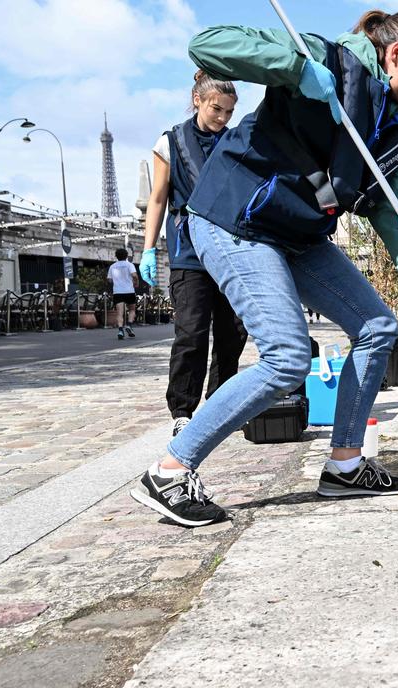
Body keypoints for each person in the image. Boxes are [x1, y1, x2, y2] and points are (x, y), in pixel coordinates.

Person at [130, 9, 398, 527]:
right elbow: (210, 44)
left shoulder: (389, 132)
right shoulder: (324, 59)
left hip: (296, 235)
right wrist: (294, 69)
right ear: (395, 54)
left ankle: (345, 464)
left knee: (377, 327)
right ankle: (169, 469)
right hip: (235, 220)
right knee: (286, 357)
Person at [139, 71, 250, 437]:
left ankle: (218, 403)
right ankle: (183, 411)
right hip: (189, 254)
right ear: (197, 100)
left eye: (229, 112)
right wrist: (149, 249)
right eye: (216, 109)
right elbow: (157, 199)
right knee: (192, 334)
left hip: (230, 251)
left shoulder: (233, 141)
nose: (222, 118)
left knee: (233, 333)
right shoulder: (170, 142)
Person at [106, 248, 138, 339]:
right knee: (132, 310)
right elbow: (134, 275)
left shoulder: (112, 266)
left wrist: (116, 281)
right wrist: (136, 282)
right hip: (129, 291)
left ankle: (120, 331)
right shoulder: (129, 265)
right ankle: (129, 325)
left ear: (116, 256)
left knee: (119, 313)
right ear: (126, 256)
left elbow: (109, 279)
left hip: (118, 292)